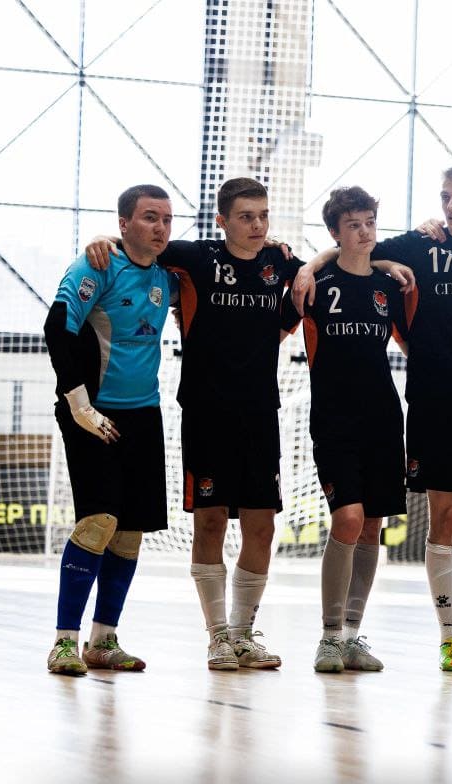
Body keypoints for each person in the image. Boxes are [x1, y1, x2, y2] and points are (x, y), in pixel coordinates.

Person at [291, 165, 452, 675]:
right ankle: (449, 641)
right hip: (430, 404)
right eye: (446, 196)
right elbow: (353, 252)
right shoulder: (419, 244)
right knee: (441, 519)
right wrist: (310, 265)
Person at [88, 177, 301, 671]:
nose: (257, 225)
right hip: (206, 413)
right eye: (245, 217)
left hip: (260, 414)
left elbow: (329, 265)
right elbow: (142, 243)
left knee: (262, 526)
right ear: (222, 221)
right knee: (209, 521)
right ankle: (217, 636)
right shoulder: (196, 257)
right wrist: (103, 239)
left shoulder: (278, 261)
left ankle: (244, 634)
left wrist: (325, 266)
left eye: (263, 216)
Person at [42, 184, 176, 675]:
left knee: (129, 532)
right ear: (124, 224)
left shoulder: (169, 274)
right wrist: (79, 404)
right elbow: (56, 329)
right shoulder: (95, 265)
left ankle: (103, 641)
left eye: (166, 219)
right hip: (92, 412)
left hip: (144, 414)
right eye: (149, 217)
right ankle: (64, 642)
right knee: (98, 521)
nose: (160, 227)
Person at [280, 186, 407, 673]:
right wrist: (312, 265)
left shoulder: (389, 287)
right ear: (334, 232)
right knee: (348, 519)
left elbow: (415, 344)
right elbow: (274, 330)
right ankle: (330, 637)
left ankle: (353, 636)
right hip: (334, 418)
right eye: (353, 224)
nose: (364, 231)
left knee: (372, 524)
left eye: (370, 222)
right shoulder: (315, 282)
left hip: (383, 418)